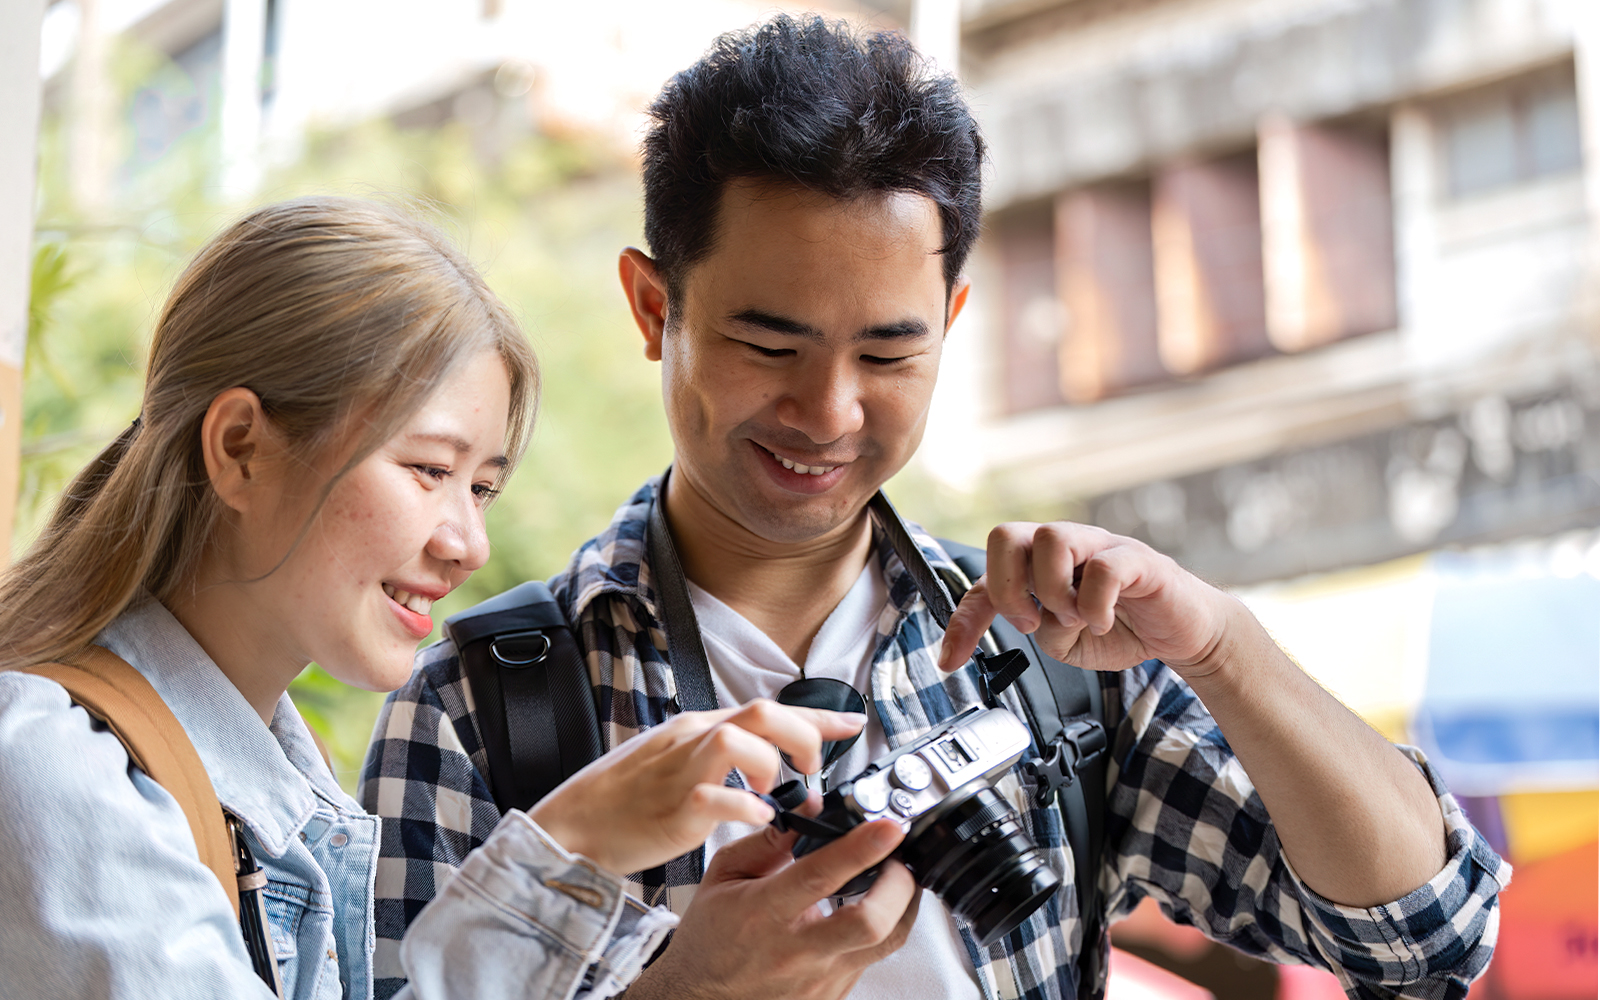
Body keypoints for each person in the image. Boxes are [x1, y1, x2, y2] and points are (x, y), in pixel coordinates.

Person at [364, 16, 1509, 1000]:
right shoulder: (487, 701)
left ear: (952, 322)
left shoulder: (1055, 662)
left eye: (888, 352)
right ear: (653, 305)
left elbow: (1425, 941)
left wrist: (1219, 643)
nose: (828, 410)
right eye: (770, 342)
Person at [0, 196, 869, 1000]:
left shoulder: (282, 807)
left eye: (482, 488)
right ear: (239, 448)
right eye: (428, 470)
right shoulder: (49, 768)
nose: (468, 545)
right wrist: (566, 855)